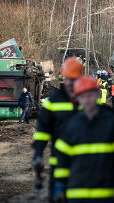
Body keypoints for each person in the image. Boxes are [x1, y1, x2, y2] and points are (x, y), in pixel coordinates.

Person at [54, 76, 114, 203]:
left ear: (97, 95)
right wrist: (59, 184)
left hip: (105, 193)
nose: (86, 100)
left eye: (89, 95)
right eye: (82, 96)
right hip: (76, 194)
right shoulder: (70, 126)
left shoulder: (112, 124)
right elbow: (61, 160)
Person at [31, 57, 83, 203]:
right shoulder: (52, 102)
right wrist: (38, 153)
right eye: (69, 78)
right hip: (59, 158)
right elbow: (42, 130)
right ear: (63, 77)